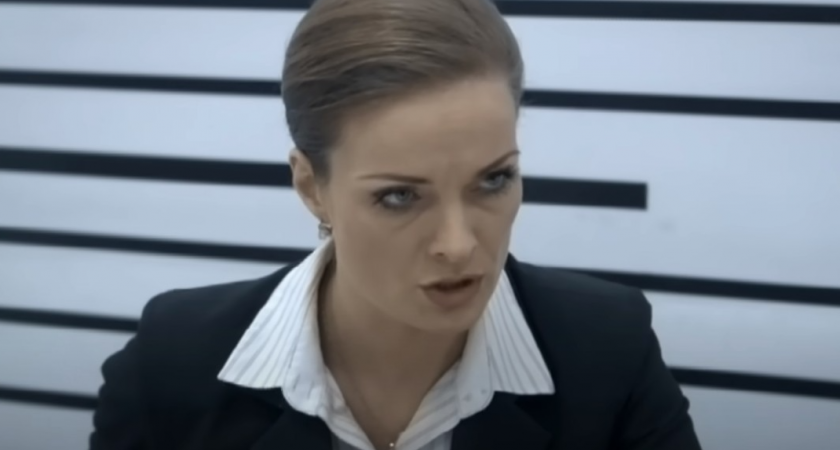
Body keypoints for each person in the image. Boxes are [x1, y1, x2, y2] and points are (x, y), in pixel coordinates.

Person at [90, 0, 702, 449]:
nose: (458, 245)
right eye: (400, 197)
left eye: (494, 180)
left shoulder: (607, 351)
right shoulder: (173, 363)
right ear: (311, 187)